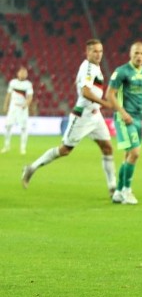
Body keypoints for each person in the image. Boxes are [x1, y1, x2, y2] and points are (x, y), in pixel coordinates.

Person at [21, 39, 116, 197]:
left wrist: (97, 104)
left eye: (100, 51)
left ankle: (113, 188)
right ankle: (31, 168)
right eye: (95, 51)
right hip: (83, 116)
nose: (98, 54)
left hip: (95, 115)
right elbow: (85, 92)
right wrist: (105, 103)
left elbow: (80, 85)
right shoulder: (88, 68)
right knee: (65, 150)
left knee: (107, 148)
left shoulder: (91, 67)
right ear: (87, 52)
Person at [106, 41, 142, 206]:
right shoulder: (121, 72)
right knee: (135, 153)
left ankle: (118, 192)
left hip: (139, 118)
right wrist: (122, 113)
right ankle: (127, 191)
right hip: (124, 119)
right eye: (136, 53)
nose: (139, 56)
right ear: (130, 54)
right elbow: (110, 95)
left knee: (128, 156)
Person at [3, 66, 33, 155]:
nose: (23, 74)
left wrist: (26, 104)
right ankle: (6, 146)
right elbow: (8, 94)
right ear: (18, 73)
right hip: (13, 108)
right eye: (22, 72)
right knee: (8, 126)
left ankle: (23, 148)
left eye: (25, 72)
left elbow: (30, 97)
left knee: (24, 128)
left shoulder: (28, 84)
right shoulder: (13, 83)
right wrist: (6, 105)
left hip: (22, 108)